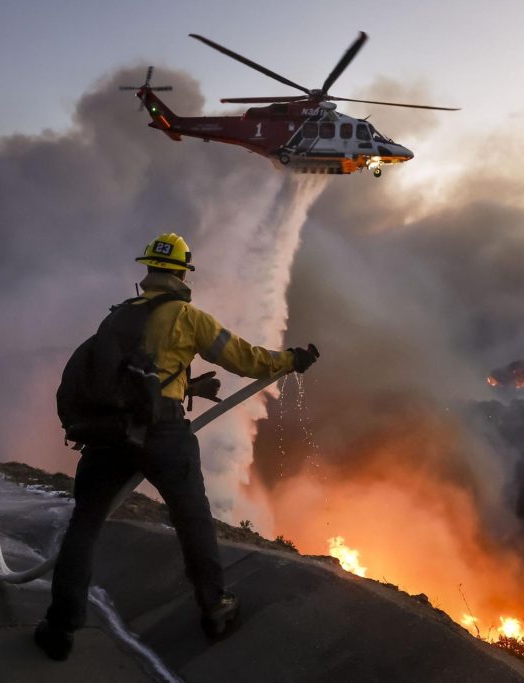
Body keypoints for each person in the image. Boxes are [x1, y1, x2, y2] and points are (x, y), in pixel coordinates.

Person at [35, 232, 320, 660]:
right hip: (164, 435)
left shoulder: (117, 317)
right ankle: (215, 608)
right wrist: (290, 361)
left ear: (148, 270)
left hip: (110, 435)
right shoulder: (188, 317)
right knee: (193, 520)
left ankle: (59, 629)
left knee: (85, 526)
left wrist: (189, 384)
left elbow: (129, 373)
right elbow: (245, 359)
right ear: (183, 274)